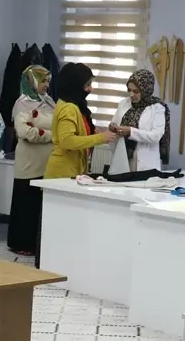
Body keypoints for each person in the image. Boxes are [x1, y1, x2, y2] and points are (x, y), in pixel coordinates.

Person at [8, 65, 55, 256]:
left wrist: (48, 134)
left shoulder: (49, 101)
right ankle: (21, 243)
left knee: (38, 204)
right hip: (28, 161)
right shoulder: (22, 103)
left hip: (47, 161)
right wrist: (52, 136)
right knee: (26, 202)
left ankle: (36, 243)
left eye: (48, 81)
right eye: (42, 81)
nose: (46, 85)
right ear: (31, 81)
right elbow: (24, 132)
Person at [44, 62, 117, 179]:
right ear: (75, 85)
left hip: (71, 169)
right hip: (62, 172)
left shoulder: (75, 105)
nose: (91, 89)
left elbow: (79, 132)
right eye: (87, 85)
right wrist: (100, 138)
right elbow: (67, 141)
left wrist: (95, 132)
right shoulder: (68, 108)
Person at [110, 69, 170, 173]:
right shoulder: (123, 103)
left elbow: (156, 136)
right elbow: (115, 123)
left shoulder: (157, 108)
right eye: (129, 90)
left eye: (136, 91)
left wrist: (130, 132)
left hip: (146, 163)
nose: (131, 95)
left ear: (146, 90)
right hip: (123, 160)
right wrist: (112, 127)